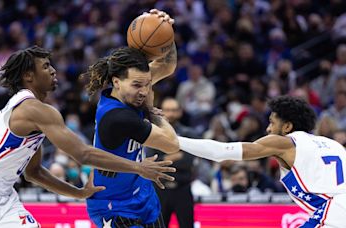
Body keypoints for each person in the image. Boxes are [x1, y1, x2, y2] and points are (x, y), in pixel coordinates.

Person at [0, 46, 176, 228]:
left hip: (2, 199)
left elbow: (33, 172)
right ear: (29, 76)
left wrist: (78, 193)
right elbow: (83, 154)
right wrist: (138, 168)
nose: (53, 70)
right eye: (45, 66)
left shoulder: (33, 114)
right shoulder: (33, 110)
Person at [178, 96, 346, 227]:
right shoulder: (332, 144)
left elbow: (220, 152)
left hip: (333, 210)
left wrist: (176, 141)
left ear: (287, 127)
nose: (268, 129)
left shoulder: (284, 142)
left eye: (272, 123)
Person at [81, 10, 179, 227]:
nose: (144, 91)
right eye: (138, 85)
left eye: (147, 84)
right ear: (116, 82)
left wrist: (166, 33)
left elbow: (167, 65)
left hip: (141, 191)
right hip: (114, 205)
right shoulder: (118, 117)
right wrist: (151, 111)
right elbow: (172, 143)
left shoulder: (129, 90)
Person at [146, 97, 197, 228]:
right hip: (160, 190)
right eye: (167, 110)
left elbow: (188, 161)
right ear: (161, 112)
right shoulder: (152, 132)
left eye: (174, 110)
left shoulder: (189, 133)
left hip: (183, 188)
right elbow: (153, 160)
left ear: (180, 112)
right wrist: (176, 156)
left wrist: (164, 158)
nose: (171, 114)